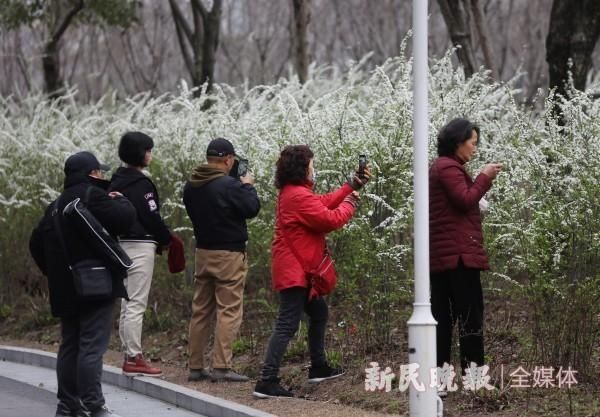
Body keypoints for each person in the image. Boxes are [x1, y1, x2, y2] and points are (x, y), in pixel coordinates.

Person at [253, 145, 369, 399]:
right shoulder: (297, 196)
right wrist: (350, 203)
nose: (314, 169)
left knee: (319, 313)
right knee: (286, 324)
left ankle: (319, 367)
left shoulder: (295, 193)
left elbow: (322, 202)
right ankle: (267, 380)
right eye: (311, 165)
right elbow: (330, 219)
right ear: (301, 168)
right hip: (294, 271)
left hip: (297, 269)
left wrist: (350, 186)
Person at [29, 151, 135, 417]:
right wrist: (122, 201)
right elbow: (125, 219)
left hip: (65, 288)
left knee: (70, 345)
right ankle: (94, 405)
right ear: (93, 173)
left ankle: (68, 405)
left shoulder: (53, 207)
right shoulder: (91, 196)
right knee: (91, 346)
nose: (102, 175)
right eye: (99, 171)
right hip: (95, 285)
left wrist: (55, 272)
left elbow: (35, 243)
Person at [429, 118, 502, 378]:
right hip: (458, 257)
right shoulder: (448, 168)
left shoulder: (443, 168)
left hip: (445, 257)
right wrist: (484, 177)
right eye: (472, 143)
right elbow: (465, 199)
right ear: (458, 143)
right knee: (469, 318)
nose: (475, 148)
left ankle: (441, 379)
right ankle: (474, 378)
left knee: (444, 320)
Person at [183, 137, 261, 382]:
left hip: (203, 253)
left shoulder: (192, 185)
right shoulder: (229, 185)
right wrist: (247, 185)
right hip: (228, 255)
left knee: (201, 311)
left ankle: (195, 366)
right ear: (228, 159)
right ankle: (221, 367)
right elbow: (252, 208)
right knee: (228, 310)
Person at [109, 131, 172, 377]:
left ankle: (128, 351)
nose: (151, 155)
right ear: (140, 153)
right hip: (140, 244)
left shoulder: (116, 181)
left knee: (127, 301)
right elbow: (151, 216)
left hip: (121, 244)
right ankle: (134, 356)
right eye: (148, 150)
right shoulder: (141, 184)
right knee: (137, 302)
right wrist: (166, 239)